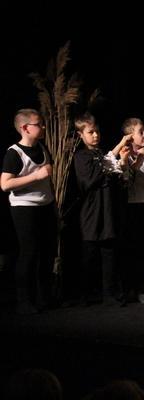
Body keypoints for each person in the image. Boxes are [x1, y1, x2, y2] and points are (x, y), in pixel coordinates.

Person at [1, 109, 56, 314]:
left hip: (46, 206)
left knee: (47, 253)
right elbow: (5, 184)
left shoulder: (42, 147)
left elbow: (47, 180)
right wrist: (36, 176)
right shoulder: (14, 153)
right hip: (24, 208)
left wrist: (54, 206)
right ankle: (24, 301)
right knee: (29, 252)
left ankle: (44, 298)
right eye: (38, 124)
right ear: (25, 128)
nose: (43, 127)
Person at [73, 112, 132, 306]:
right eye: (91, 132)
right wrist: (117, 148)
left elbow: (116, 177)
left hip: (107, 210)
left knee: (109, 253)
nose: (96, 135)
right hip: (91, 211)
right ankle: (84, 294)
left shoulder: (102, 154)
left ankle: (109, 294)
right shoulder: (81, 156)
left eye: (97, 131)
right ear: (81, 134)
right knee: (89, 255)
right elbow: (89, 180)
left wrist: (122, 162)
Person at [120, 118, 144, 304]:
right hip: (129, 208)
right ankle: (130, 290)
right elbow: (124, 183)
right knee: (131, 250)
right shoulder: (124, 155)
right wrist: (133, 163)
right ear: (130, 136)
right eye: (140, 132)